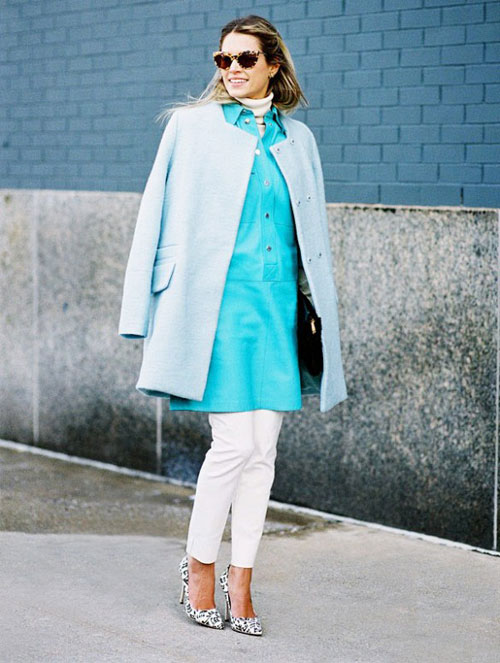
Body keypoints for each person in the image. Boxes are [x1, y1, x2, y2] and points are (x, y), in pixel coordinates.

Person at [118, 14, 347, 637]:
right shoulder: (191, 127)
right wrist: (139, 312)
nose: (233, 70)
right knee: (234, 446)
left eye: (246, 58)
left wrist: (320, 311)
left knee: (263, 452)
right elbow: (153, 213)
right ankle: (199, 568)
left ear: (274, 64)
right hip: (212, 310)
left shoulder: (298, 139)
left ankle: (240, 580)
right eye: (224, 59)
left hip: (276, 309)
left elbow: (311, 235)